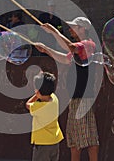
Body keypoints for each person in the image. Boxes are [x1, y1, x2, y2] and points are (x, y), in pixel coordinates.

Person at [34, 17, 99, 161]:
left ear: (83, 29)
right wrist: (47, 49)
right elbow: (65, 58)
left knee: (89, 139)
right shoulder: (79, 47)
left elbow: (70, 47)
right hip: (76, 98)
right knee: (75, 140)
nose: (70, 29)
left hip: (83, 97)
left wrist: (54, 32)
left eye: (74, 27)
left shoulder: (87, 44)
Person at [26, 71, 64, 161]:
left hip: (42, 144)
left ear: (38, 92)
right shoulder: (55, 99)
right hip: (55, 141)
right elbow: (47, 89)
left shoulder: (38, 107)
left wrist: (36, 95)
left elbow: (28, 104)